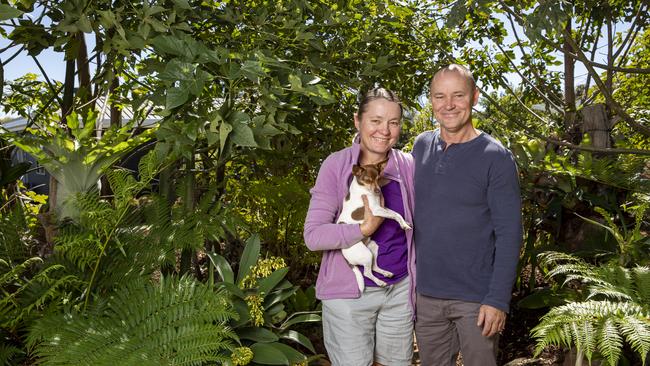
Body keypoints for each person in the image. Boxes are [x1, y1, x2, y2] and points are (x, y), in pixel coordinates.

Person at [412, 64, 522, 366]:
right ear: (431, 101)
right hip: (425, 294)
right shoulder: (420, 146)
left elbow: (510, 235)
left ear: (474, 97)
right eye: (439, 96)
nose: (448, 105)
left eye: (458, 95)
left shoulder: (496, 158)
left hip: (476, 298)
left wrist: (497, 300)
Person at [303, 87, 415, 366]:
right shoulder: (337, 165)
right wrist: (362, 230)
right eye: (375, 121)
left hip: (400, 291)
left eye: (393, 122)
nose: (385, 131)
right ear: (358, 121)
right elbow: (314, 235)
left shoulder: (408, 165)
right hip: (348, 296)